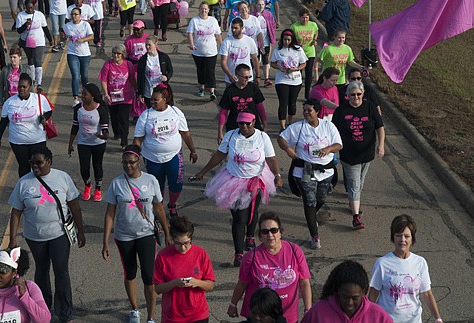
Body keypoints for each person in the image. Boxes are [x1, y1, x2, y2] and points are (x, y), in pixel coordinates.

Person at [8, 144, 86, 323]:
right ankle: (43, 311)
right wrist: (13, 240)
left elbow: (74, 205)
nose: (34, 166)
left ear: (49, 162)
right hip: (35, 237)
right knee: (41, 272)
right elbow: (16, 212)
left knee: (61, 272)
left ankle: (65, 313)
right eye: (31, 163)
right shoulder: (24, 183)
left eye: (39, 163)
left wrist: (80, 231)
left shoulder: (62, 178)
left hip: (59, 235)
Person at [194, 112, 282, 265]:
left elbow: (271, 158)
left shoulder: (262, 137)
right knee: (239, 218)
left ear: (254, 122)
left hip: (257, 179)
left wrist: (277, 175)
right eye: (241, 123)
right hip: (232, 180)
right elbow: (219, 155)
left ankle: (250, 236)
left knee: (252, 211)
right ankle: (239, 253)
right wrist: (203, 171)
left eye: (248, 123)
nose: (245, 126)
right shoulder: (230, 136)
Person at [102, 146, 172, 323]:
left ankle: (151, 316)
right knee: (130, 273)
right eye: (124, 163)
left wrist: (167, 232)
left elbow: (158, 207)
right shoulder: (117, 183)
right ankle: (134, 309)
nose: (128, 166)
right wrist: (105, 242)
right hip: (124, 236)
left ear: (138, 161)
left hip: (146, 234)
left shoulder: (150, 180)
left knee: (149, 276)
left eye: (131, 162)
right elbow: (110, 213)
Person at [277, 99, 342, 249]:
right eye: (304, 110)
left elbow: (339, 145)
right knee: (309, 201)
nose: (305, 113)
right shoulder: (298, 127)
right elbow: (281, 138)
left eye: (309, 110)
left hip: (326, 171)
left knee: (321, 198)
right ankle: (314, 235)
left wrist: (328, 149)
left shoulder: (328, 126)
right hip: (304, 172)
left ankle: (312, 216)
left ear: (317, 111)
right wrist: (287, 149)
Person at [228, 212, 312, 322]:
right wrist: (233, 304)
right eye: (265, 231)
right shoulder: (250, 257)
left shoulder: (295, 251)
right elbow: (242, 284)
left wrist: (308, 309)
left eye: (274, 230)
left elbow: (304, 282)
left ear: (280, 232)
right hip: (259, 318)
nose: (270, 235)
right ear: (260, 235)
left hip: (288, 315)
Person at [132, 85, 198, 218]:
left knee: (176, 183)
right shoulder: (146, 116)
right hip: (152, 157)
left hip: (173, 155)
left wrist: (193, 150)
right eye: (151, 100)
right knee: (157, 185)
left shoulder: (175, 112)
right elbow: (137, 139)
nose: (153, 102)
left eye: (156, 100)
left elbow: (185, 133)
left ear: (165, 99)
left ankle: (172, 204)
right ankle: (159, 207)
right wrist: (135, 157)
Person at [368, 215, 443, 323]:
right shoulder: (382, 263)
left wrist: (438, 318)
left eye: (407, 236)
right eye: (398, 235)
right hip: (387, 319)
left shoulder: (420, 262)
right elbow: (373, 293)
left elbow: (426, 293)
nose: (402, 240)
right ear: (393, 237)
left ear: (412, 238)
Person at [332, 80, 385, 230]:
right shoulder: (341, 111)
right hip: (349, 155)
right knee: (355, 184)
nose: (356, 97)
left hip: (367, 154)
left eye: (359, 94)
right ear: (347, 96)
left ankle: (353, 201)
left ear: (363, 94)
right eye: (352, 95)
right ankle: (356, 217)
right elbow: (333, 131)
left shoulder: (370, 107)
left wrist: (381, 145)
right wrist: (332, 150)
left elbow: (380, 127)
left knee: (359, 183)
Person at [154, 216, 216, 323]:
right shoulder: (163, 256)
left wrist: (197, 282)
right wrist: (174, 283)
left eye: (186, 243)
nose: (182, 248)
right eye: (178, 243)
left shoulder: (200, 254)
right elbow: (158, 288)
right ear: (172, 239)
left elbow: (210, 285)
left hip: (198, 315)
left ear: (191, 238)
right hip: (173, 316)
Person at [0, 247, 51, 323]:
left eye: (2, 272)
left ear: (14, 272)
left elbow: (44, 320)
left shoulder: (29, 287)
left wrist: (25, 297)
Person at [0, 73, 53, 179]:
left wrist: (44, 118)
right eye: (19, 86)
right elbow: (3, 121)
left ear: (29, 87)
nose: (21, 89)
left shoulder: (39, 99)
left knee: (39, 166)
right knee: (24, 166)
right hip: (18, 143)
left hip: (37, 141)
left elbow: (49, 111)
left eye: (24, 87)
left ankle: (40, 187)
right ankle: (25, 186)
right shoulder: (10, 102)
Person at [302, 260, 392, 322]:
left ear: (363, 292)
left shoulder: (380, 317)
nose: (350, 303)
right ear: (338, 291)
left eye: (355, 298)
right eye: (345, 297)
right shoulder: (318, 312)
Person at [69, 83, 110, 201]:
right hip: (83, 143)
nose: (83, 96)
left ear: (92, 96)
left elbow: (105, 129)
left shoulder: (100, 110)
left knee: (97, 166)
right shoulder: (78, 108)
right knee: (84, 167)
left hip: (98, 143)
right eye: (82, 94)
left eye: (85, 94)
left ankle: (97, 189)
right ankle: (87, 185)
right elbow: (75, 126)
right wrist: (70, 143)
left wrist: (104, 136)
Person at [271, 29, 308, 131]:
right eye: (284, 40)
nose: (286, 42)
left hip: (295, 80)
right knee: (283, 103)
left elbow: (304, 63)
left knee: (292, 102)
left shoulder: (298, 50)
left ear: (292, 40)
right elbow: (273, 63)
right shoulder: (278, 50)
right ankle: (282, 126)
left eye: (288, 40)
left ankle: (290, 123)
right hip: (282, 80)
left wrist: (297, 68)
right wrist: (280, 68)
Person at [187, 2, 223, 100]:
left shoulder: (213, 20)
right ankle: (202, 87)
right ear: (199, 9)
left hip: (211, 51)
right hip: (197, 52)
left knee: (210, 71)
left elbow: (218, 34)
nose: (204, 11)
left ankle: (212, 90)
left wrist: (222, 45)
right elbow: (190, 33)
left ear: (208, 10)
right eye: (202, 9)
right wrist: (191, 44)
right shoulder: (194, 21)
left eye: (206, 9)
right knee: (200, 70)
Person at [16, 0, 52, 91]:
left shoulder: (39, 15)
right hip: (26, 41)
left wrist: (50, 39)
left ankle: (39, 83)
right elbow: (19, 30)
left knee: (37, 61)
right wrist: (25, 25)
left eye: (32, 7)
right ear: (25, 7)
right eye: (28, 8)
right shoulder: (21, 15)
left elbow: (45, 27)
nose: (30, 10)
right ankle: (32, 79)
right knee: (30, 60)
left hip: (39, 41)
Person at [64, 6, 95, 106]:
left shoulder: (85, 24)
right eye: (72, 14)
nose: (74, 16)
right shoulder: (67, 26)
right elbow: (63, 36)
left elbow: (91, 36)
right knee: (75, 76)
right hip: (72, 53)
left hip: (85, 54)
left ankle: (86, 95)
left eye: (76, 14)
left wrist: (83, 40)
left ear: (80, 15)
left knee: (84, 76)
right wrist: (64, 38)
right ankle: (76, 98)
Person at [220, 18, 260, 87]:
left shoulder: (249, 41)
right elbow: (223, 61)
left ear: (242, 28)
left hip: (247, 79)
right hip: (231, 79)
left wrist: (258, 76)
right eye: (232, 28)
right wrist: (229, 76)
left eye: (236, 28)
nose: (233, 30)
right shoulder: (227, 42)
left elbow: (255, 59)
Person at [289, 8, 318, 99]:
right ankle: (296, 91)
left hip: (310, 52)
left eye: (307, 17)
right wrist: (296, 43)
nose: (305, 20)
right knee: (298, 73)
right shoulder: (294, 27)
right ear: (299, 18)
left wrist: (314, 39)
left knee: (309, 73)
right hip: (298, 53)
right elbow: (290, 38)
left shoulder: (313, 25)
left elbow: (316, 32)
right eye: (303, 18)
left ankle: (307, 94)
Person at [137, 36, 173, 107]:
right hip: (148, 91)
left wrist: (166, 77)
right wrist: (140, 93)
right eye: (146, 45)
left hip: (161, 90)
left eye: (149, 45)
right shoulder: (143, 59)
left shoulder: (164, 57)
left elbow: (170, 70)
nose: (147, 47)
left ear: (155, 44)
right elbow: (140, 77)